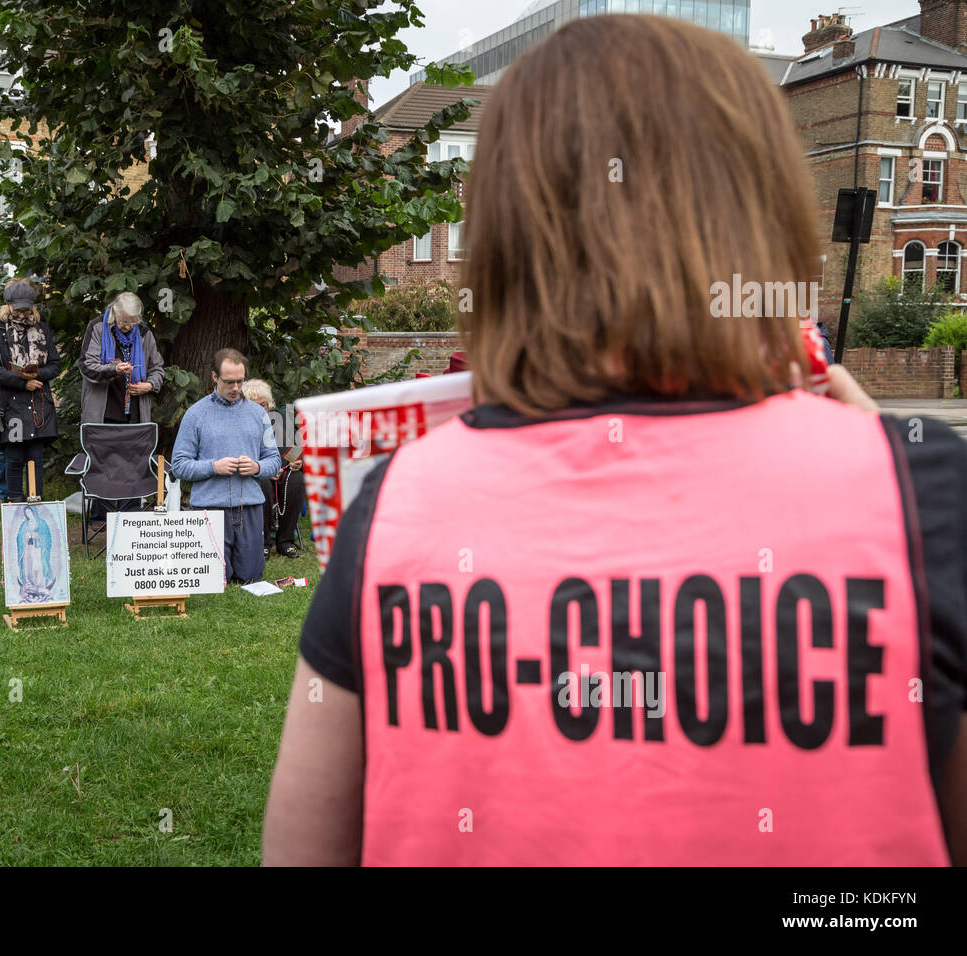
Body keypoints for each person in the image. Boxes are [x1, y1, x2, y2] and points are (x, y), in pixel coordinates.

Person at [262, 15, 967, 866]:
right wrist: (888, 474)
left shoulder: (397, 503)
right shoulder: (925, 500)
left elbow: (304, 847)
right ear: (759, 208)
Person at [171, 349, 281, 584]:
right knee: (215, 578)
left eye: (240, 381)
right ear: (214, 377)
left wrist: (257, 467)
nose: (236, 388)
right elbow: (179, 466)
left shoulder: (257, 414)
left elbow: (274, 460)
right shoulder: (196, 414)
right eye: (229, 382)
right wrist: (213, 467)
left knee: (251, 577)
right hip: (209, 508)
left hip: (249, 507)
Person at [80, 291, 165, 522]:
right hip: (104, 410)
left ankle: (131, 516)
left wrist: (149, 385)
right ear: (114, 314)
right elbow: (86, 366)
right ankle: (102, 516)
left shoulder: (145, 334)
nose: (128, 326)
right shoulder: (97, 328)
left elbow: (158, 368)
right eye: (123, 321)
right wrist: (113, 370)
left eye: (132, 321)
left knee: (134, 464)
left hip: (135, 412)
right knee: (103, 462)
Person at [0, 278, 62, 501]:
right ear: (8, 305)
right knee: (13, 459)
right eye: (17, 309)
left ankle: (36, 503)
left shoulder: (42, 327)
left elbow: (56, 364)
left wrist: (38, 375)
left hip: (37, 403)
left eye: (26, 309)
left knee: (35, 459)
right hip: (9, 402)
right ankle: (14, 504)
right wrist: (21, 382)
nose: (21, 314)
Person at [242, 379, 305, 558]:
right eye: (255, 406)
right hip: (257, 474)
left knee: (298, 480)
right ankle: (263, 542)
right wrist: (265, 469)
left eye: (264, 405)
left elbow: (297, 449)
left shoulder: (280, 420)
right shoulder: (241, 425)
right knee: (262, 484)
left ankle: (285, 541)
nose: (261, 410)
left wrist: (299, 462)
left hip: (284, 472)